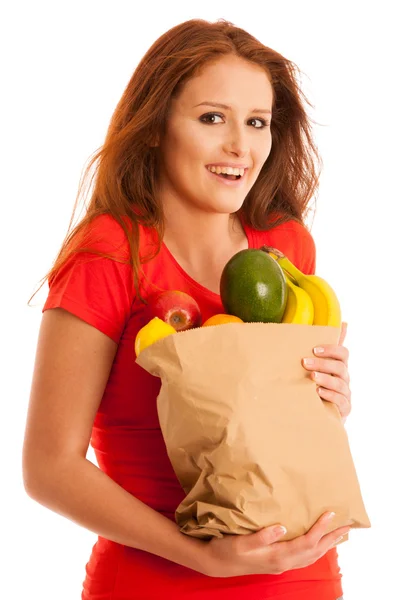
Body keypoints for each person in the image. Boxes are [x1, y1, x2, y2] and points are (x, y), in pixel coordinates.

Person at [23, 18, 352, 600]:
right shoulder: (110, 253)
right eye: (211, 118)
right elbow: (49, 468)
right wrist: (202, 558)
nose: (239, 147)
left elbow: (267, 428)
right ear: (154, 128)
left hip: (301, 576)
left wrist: (329, 396)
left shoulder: (284, 248)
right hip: (157, 581)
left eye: (256, 123)